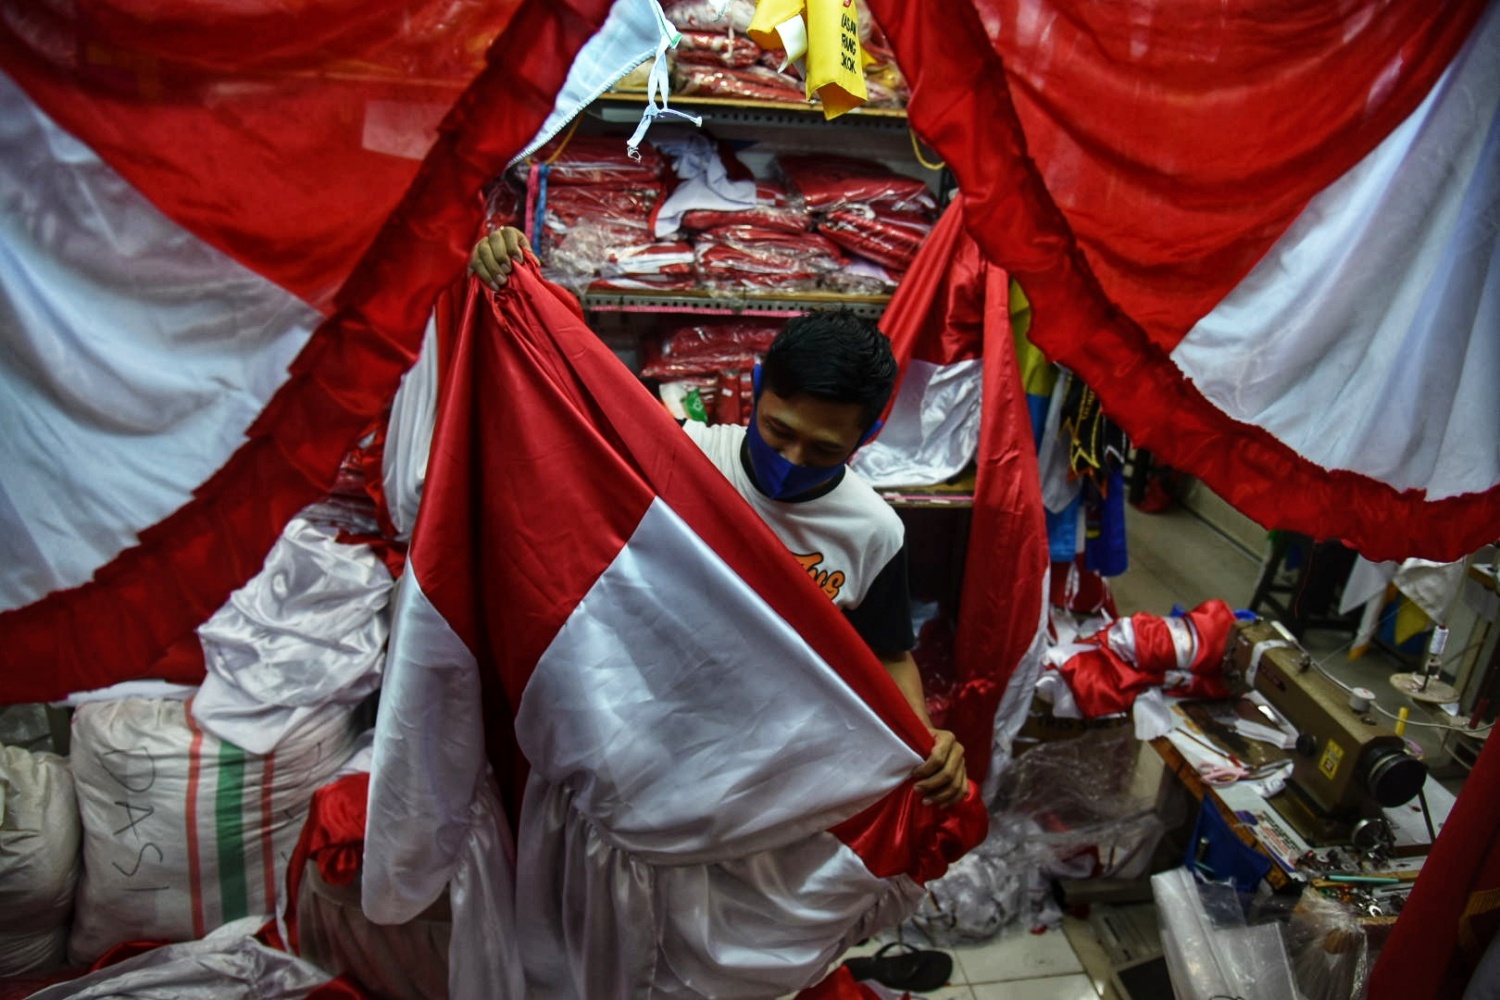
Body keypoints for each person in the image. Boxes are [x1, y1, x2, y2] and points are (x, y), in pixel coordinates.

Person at [470, 228, 968, 808]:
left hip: (763, 765)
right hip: (642, 739)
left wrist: (926, 739)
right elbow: (566, 410)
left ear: (868, 436)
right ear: (756, 391)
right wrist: (522, 291)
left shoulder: (875, 531)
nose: (791, 462)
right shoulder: (682, 459)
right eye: (778, 432)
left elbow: (888, 652)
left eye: (826, 450)